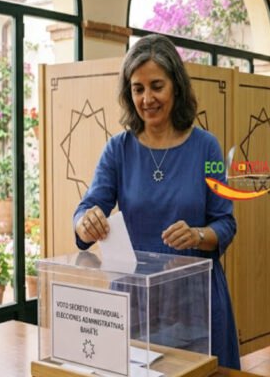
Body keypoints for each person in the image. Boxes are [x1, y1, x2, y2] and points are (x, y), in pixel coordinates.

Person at [73, 34, 240, 369]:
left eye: (156, 86)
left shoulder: (207, 148)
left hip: (195, 302)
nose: (147, 98)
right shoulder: (118, 150)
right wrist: (85, 222)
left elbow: (225, 222)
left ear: (175, 86)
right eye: (138, 89)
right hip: (134, 304)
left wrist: (197, 235)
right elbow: (86, 211)